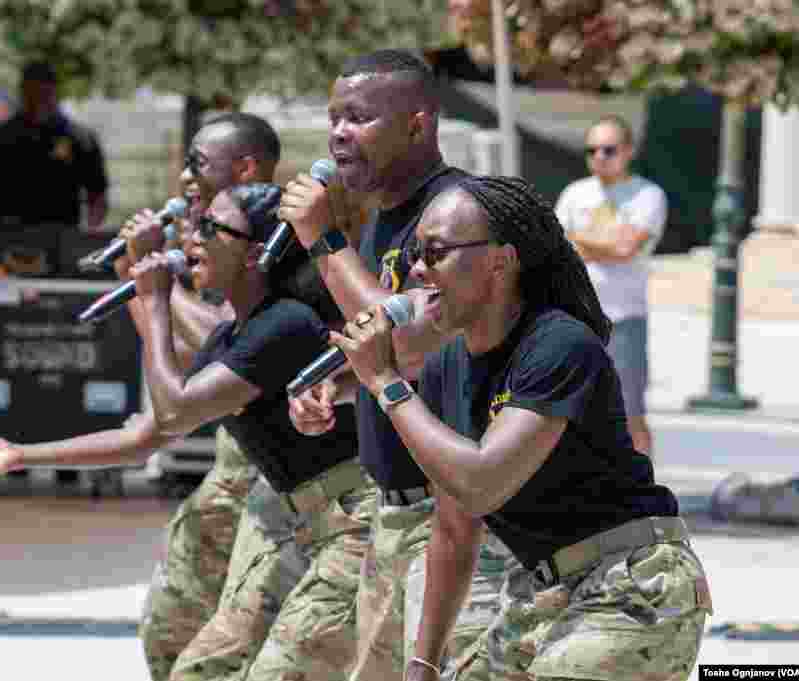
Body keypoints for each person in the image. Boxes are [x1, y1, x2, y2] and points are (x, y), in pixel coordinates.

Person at [0, 183, 374, 681]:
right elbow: (145, 438)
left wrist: (154, 302)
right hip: (302, 526)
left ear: (255, 252)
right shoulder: (235, 334)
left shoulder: (285, 324)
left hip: (354, 527)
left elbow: (174, 413)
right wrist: (19, 454)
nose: (193, 236)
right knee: (203, 669)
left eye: (213, 227)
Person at [333, 175, 711, 681]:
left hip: (631, 585)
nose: (417, 271)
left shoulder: (559, 345)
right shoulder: (449, 364)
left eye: (436, 253)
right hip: (542, 591)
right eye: (415, 255)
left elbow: (481, 482)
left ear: (501, 260)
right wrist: (424, 663)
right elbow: (455, 526)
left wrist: (385, 382)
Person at [279, 48, 514, 681]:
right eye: (334, 118)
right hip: (392, 511)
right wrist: (338, 385)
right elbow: (408, 356)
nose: (339, 134)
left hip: (453, 521)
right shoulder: (385, 219)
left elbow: (410, 341)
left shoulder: (457, 215)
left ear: (417, 124)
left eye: (358, 118)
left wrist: (324, 240)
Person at [118, 112, 280, 681]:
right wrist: (144, 288)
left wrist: (154, 291)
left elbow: (229, 343)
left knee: (226, 657)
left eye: (198, 164)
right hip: (231, 474)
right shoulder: (205, 243)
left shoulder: (270, 242)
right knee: (170, 632)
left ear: (246, 168)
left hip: (279, 490)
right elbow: (183, 365)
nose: (185, 177)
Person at [556, 115, 667, 456]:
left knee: (629, 414)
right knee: (570, 414)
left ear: (628, 151)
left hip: (624, 320)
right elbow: (557, 248)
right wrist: (604, 243)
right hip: (575, 319)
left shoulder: (647, 195)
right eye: (592, 150)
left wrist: (579, 241)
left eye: (609, 149)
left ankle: (643, 485)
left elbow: (625, 249)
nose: (599, 157)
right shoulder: (574, 194)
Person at [0, 60, 109, 274]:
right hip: (8, 236)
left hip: (62, 239)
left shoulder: (80, 138)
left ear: (54, 91)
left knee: (60, 292)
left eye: (45, 90)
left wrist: (88, 238)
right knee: (8, 292)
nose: (39, 97)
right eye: (33, 90)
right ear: (23, 91)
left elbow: (97, 196)